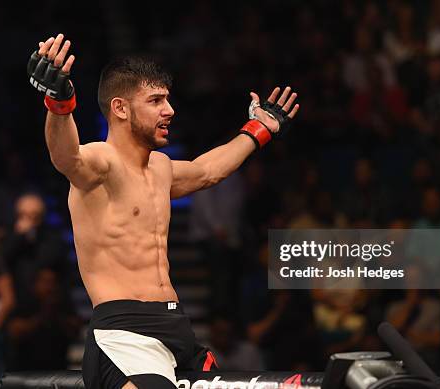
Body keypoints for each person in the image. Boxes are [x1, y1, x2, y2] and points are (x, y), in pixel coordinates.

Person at [26, 33, 299, 389]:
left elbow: (207, 171)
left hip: (177, 329)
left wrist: (259, 129)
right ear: (121, 108)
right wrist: (59, 101)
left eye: (167, 100)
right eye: (155, 100)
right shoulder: (101, 162)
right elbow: (67, 157)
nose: (169, 110)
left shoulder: (161, 168)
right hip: (127, 333)